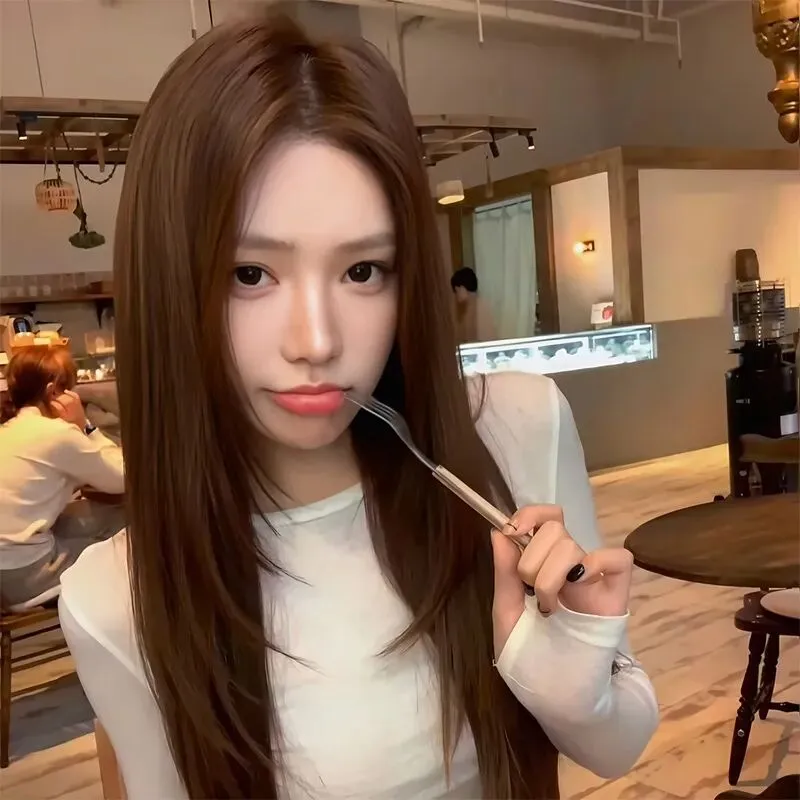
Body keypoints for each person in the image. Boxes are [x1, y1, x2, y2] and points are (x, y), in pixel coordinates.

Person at [58, 15, 658, 800]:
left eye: (363, 270)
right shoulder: (116, 597)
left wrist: (573, 681)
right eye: (250, 274)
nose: (317, 341)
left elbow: (618, 747)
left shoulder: (517, 428)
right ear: (172, 283)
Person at [0, 347, 125, 609]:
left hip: (8, 567)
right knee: (130, 540)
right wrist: (85, 427)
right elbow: (122, 479)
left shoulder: (8, 431)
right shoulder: (57, 434)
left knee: (97, 514)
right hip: (29, 575)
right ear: (54, 392)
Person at [451, 266, 497, 344]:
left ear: (462, 288)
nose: (456, 295)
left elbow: (485, 340)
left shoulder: (480, 308)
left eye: (456, 291)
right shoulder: (470, 307)